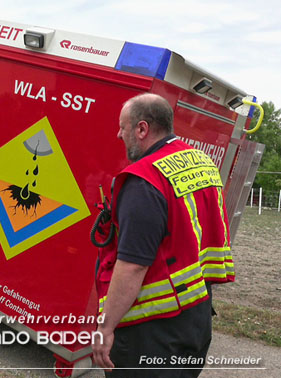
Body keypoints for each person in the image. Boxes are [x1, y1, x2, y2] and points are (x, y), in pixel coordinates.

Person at [91, 93, 235, 377]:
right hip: (197, 318)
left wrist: (105, 329)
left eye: (123, 126)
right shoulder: (201, 162)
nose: (118, 134)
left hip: (151, 332)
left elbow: (133, 266)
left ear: (142, 129)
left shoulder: (144, 180)